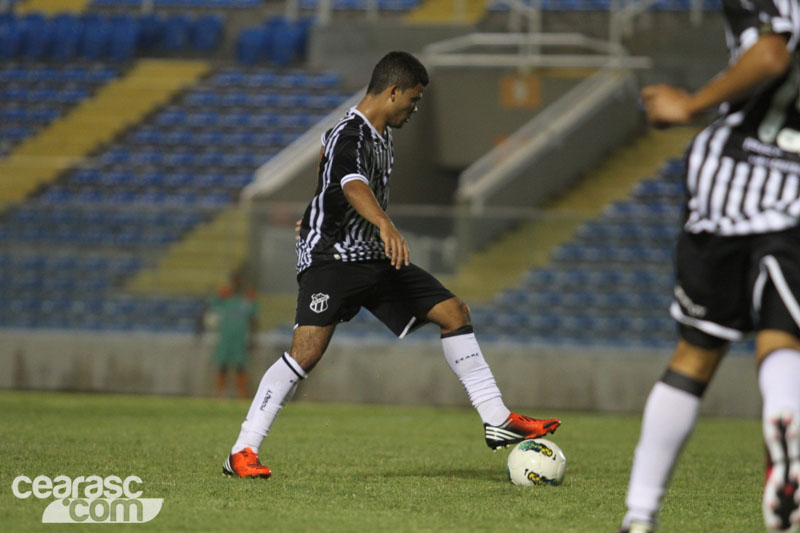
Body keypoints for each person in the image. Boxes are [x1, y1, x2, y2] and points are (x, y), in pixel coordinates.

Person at [222, 51, 561, 479]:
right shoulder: (352, 133)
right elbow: (350, 182)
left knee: (454, 312)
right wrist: (382, 222)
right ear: (393, 91)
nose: (414, 108)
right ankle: (242, 451)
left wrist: (316, 213)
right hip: (333, 261)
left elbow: (332, 182)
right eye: (413, 99)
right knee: (306, 352)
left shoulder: (376, 137)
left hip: (373, 260)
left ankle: (497, 418)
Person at [619, 2, 800, 532]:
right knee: (783, 340)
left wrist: (692, 103)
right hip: (796, 195)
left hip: (730, 182)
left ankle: (639, 516)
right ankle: (785, 418)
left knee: (695, 355)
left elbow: (769, 55)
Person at [205, 269, 259, 400]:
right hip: (225, 338)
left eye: (239, 280)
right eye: (235, 280)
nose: (237, 283)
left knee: (240, 367)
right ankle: (219, 395)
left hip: (240, 339)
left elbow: (254, 319)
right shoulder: (224, 296)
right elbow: (210, 303)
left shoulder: (247, 299)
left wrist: (252, 336)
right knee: (222, 366)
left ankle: (242, 395)